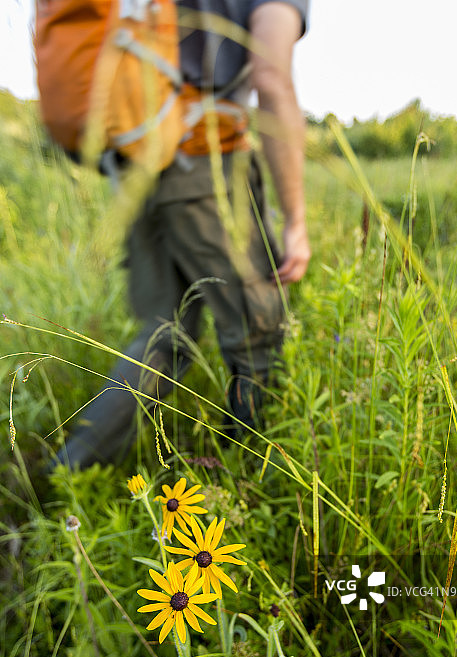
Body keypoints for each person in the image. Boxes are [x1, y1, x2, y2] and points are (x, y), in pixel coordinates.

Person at [56, 0, 310, 469]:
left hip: (134, 167)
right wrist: (296, 219)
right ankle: (251, 481)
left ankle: (66, 476)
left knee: (163, 333)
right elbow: (271, 81)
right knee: (257, 331)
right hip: (205, 163)